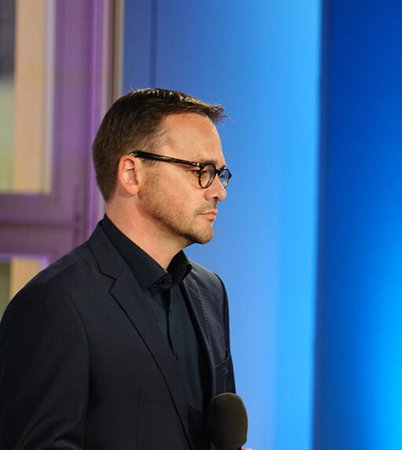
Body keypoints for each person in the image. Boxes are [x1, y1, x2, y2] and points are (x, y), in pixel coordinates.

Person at [0, 88, 236, 449]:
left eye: (220, 173)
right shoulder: (55, 303)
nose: (218, 191)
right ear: (131, 173)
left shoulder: (210, 292)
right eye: (201, 170)